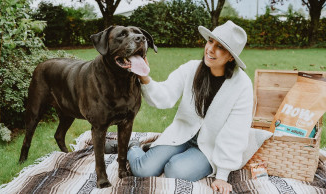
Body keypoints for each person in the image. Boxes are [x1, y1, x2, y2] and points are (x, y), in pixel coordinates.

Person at [106, 20, 253, 194]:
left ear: (231, 57)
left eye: (220, 47)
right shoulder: (191, 69)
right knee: (142, 170)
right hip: (182, 134)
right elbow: (164, 97)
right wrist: (145, 77)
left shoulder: (242, 85)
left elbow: (235, 133)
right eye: (210, 41)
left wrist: (222, 175)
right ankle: (132, 146)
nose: (210, 49)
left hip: (209, 147)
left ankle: (160, 152)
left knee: (175, 170)